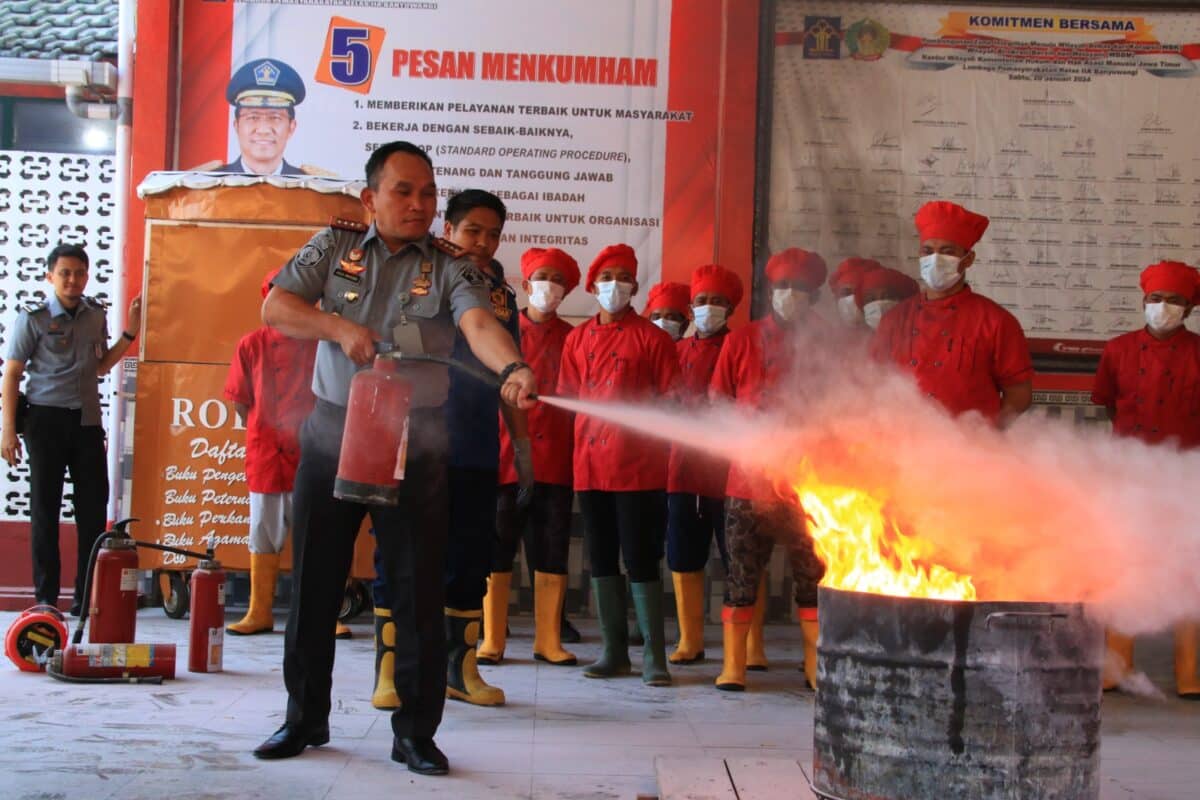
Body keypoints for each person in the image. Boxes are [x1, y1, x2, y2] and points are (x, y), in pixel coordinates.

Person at [253, 141, 536, 776]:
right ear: (370, 198)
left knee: (415, 590)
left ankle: (415, 732)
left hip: (417, 441)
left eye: (428, 193)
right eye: (404, 191)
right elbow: (276, 307)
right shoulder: (333, 248)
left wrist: (513, 367)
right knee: (317, 584)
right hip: (335, 431)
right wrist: (339, 328)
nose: (419, 204)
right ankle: (303, 718)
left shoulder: (452, 267)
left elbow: (478, 327)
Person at [558, 244, 679, 686]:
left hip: (637, 468)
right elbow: (568, 397)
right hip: (589, 466)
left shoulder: (654, 339)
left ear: (635, 286)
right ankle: (613, 652)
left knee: (642, 557)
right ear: (592, 285)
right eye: (607, 276)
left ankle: (653, 656)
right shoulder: (576, 340)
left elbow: (670, 403)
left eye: (624, 276)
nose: (615, 284)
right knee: (602, 557)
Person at [710, 248, 829, 692]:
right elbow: (718, 402)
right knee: (741, 574)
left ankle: (816, 666)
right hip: (746, 482)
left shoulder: (826, 348)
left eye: (799, 288)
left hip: (809, 486)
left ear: (815, 296)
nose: (789, 295)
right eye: (782, 287)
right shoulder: (740, 341)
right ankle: (734, 666)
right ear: (769, 292)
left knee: (812, 577)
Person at [1, 244, 140, 615]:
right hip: (44, 421)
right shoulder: (31, 319)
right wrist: (7, 430)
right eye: (65, 273)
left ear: (87, 275)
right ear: (50, 277)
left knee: (93, 512)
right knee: (45, 510)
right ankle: (46, 599)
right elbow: (12, 374)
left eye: (79, 273)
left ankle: (84, 598)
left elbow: (99, 368)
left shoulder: (95, 316)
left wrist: (129, 334)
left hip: (86, 423)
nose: (73, 280)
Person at [1091, 260, 1200, 698]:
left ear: (1189, 309)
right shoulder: (1117, 350)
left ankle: (1190, 675)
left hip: (1186, 474)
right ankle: (1115, 668)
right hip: (1129, 473)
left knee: (1186, 572)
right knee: (1124, 567)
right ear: (1143, 302)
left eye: (1174, 300)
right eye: (1155, 299)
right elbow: (1107, 404)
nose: (1162, 307)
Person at [439, 189, 529, 707]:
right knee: (411, 558)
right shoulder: (422, 275)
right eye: (473, 230)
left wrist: (521, 446)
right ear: (448, 229)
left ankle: (461, 669)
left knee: (471, 560)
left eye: (493, 233)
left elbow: (510, 372)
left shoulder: (502, 295)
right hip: (422, 444)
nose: (483, 242)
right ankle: (403, 669)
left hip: (476, 447)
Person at [485, 247, 581, 668]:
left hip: (556, 460)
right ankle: (492, 639)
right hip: (505, 457)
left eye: (558, 281)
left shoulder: (574, 338)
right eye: (543, 277)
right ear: (525, 285)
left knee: (552, 549)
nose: (550, 287)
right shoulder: (502, 332)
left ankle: (548, 639)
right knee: (497, 549)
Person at [870, 200, 1033, 426]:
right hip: (902, 446)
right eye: (928, 251)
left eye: (947, 252)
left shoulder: (996, 322)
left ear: (968, 259)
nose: (935, 259)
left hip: (969, 452)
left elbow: (1019, 393)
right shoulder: (895, 319)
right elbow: (874, 383)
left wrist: (990, 436)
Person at [223, 269, 317, 637]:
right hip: (266, 451)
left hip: (312, 449)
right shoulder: (252, 344)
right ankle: (259, 611)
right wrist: (267, 430)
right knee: (263, 531)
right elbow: (240, 402)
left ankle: (322, 615)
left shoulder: (320, 342)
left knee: (317, 535)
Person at [666, 264, 743, 665]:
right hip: (681, 472)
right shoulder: (675, 351)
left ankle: (743, 647)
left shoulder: (741, 347)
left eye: (716, 302)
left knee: (740, 560)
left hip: (731, 474)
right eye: (700, 302)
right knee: (683, 556)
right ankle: (689, 640)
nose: (707, 309)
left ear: (730, 308)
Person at [215, 58, 308, 176]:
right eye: (253, 117)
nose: (263, 130)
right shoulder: (209, 188)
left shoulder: (310, 188)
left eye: (275, 118)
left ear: (291, 127)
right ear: (236, 126)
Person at [829, 257, 882, 328]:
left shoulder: (887, 332)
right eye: (846, 293)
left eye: (860, 292)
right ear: (836, 297)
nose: (853, 300)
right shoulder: (824, 331)